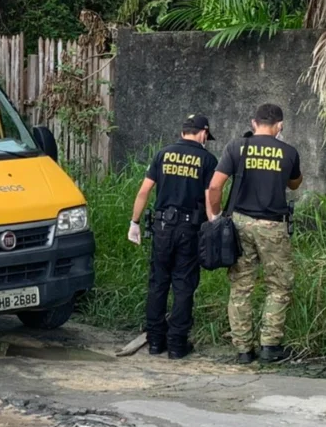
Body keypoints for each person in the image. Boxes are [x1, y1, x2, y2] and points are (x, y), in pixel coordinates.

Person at [207, 103, 303, 365]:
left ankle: (243, 350)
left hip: (239, 224)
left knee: (241, 286)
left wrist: (215, 216)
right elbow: (295, 183)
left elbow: (215, 186)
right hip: (273, 225)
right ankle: (270, 346)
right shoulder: (289, 152)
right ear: (280, 126)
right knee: (279, 285)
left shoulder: (236, 147)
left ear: (253, 123)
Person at [129, 114, 218, 359]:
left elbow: (144, 190)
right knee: (183, 284)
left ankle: (155, 341)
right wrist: (215, 225)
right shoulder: (208, 159)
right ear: (203, 133)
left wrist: (134, 222)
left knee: (158, 283)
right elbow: (211, 197)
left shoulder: (163, 154)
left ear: (182, 133)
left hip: (162, 228)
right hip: (189, 229)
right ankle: (177, 345)